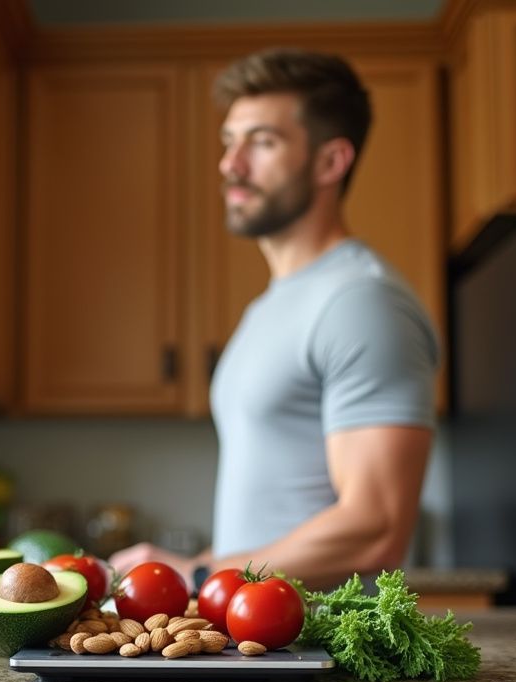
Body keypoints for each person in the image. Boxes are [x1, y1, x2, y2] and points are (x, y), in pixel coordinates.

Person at [109, 48, 438, 591]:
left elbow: (374, 529)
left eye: (262, 142)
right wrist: (192, 566)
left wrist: (193, 574)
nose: (230, 165)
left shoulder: (361, 301)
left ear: (330, 162)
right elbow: (272, 526)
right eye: (229, 142)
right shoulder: (269, 308)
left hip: (318, 656)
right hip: (266, 644)